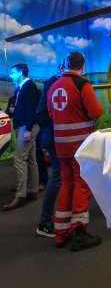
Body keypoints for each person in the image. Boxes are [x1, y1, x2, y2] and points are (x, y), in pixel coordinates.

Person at [48, 52, 103, 250]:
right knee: (82, 185)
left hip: (61, 146)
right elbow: (96, 112)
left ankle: (61, 233)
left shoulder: (53, 86)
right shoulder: (82, 85)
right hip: (80, 146)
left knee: (67, 185)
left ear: (66, 65)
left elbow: (51, 114)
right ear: (83, 66)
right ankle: (79, 232)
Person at [3, 63, 40, 211]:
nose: (11, 75)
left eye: (13, 73)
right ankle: (32, 190)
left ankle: (20, 196)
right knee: (31, 159)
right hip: (24, 126)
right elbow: (21, 108)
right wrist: (12, 110)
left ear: (21, 73)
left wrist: (28, 129)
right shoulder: (21, 88)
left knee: (19, 159)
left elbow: (32, 109)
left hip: (26, 127)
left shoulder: (29, 86)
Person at [35, 62, 65, 238]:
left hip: (60, 138)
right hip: (56, 139)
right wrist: (57, 125)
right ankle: (45, 222)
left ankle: (62, 218)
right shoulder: (55, 83)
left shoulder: (57, 83)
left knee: (61, 178)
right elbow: (41, 113)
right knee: (57, 178)